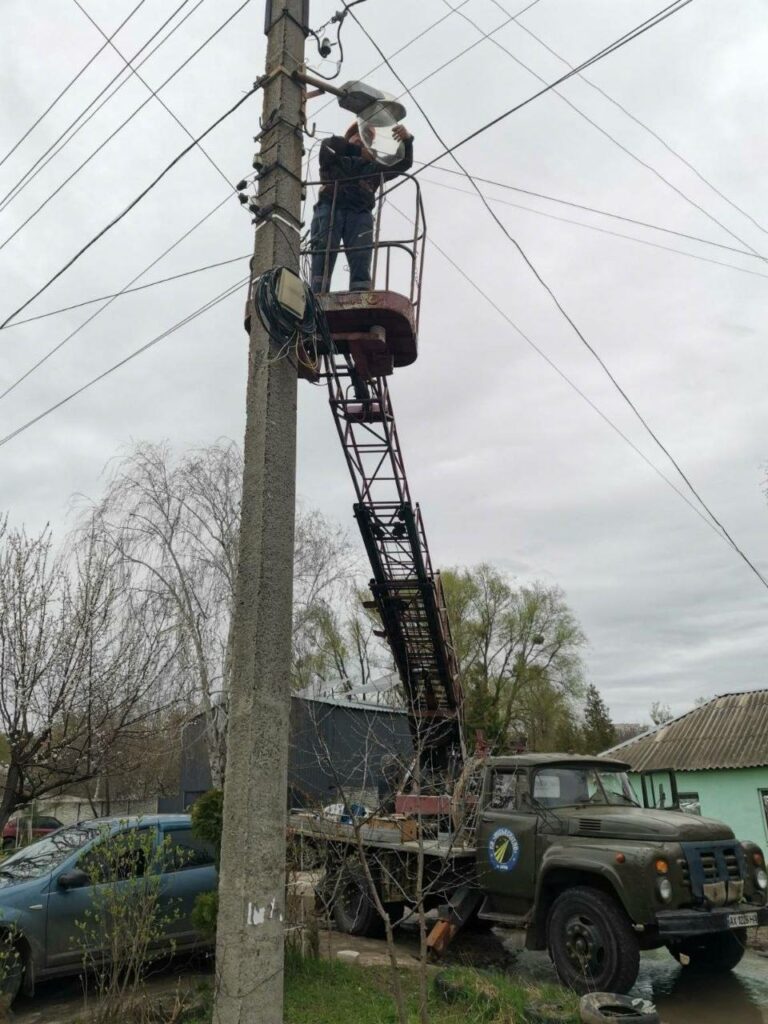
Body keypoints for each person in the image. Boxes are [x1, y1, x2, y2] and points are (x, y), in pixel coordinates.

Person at [310, 121, 413, 293]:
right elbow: (327, 147)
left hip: (359, 213)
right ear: (349, 137)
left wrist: (407, 140)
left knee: (361, 257)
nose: (361, 138)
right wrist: (357, 151)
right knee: (323, 251)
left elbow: (403, 163)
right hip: (329, 207)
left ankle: (360, 294)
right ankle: (317, 294)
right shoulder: (335, 154)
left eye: (366, 137)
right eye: (357, 133)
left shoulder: (374, 167)